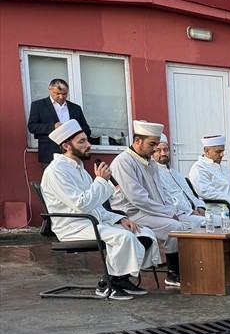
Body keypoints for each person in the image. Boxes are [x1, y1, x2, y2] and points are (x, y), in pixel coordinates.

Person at [40, 119, 159, 300]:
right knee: (124, 237)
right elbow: (82, 204)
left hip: (93, 221)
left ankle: (120, 279)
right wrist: (101, 181)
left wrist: (119, 219)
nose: (88, 145)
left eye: (87, 140)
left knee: (144, 233)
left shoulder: (79, 168)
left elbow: (96, 207)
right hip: (74, 226)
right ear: (66, 145)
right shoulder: (56, 171)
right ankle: (106, 284)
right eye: (81, 142)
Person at [110, 120, 205, 287]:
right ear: (137, 141)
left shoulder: (150, 161)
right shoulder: (123, 161)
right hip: (132, 213)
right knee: (175, 227)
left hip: (152, 210)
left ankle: (192, 269)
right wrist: (167, 213)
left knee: (191, 224)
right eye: (152, 144)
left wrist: (171, 209)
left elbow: (163, 191)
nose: (154, 149)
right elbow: (138, 198)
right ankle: (174, 273)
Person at [189, 135, 230, 225]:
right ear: (206, 151)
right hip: (218, 206)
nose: (222, 155)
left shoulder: (223, 168)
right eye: (218, 152)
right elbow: (206, 192)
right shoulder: (199, 168)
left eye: (223, 151)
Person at [28, 78, 91, 166]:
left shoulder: (75, 108)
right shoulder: (38, 105)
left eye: (64, 94)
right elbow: (32, 127)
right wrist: (53, 127)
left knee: (75, 178)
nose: (61, 97)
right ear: (50, 90)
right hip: (49, 152)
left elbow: (86, 129)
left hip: (73, 152)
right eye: (57, 93)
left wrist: (75, 131)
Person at [153, 135, 206, 217]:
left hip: (194, 211)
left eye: (166, 150)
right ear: (152, 153)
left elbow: (190, 193)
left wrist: (200, 206)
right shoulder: (154, 174)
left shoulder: (175, 172)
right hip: (179, 214)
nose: (163, 153)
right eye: (158, 150)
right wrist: (190, 211)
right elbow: (168, 200)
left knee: (220, 219)